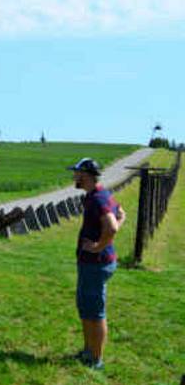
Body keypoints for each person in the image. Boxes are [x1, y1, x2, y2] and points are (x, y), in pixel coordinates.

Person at [68, 158, 125, 370]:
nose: (74, 176)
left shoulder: (98, 199)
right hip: (92, 263)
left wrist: (98, 246)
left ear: (85, 175)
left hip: (96, 263)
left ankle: (96, 359)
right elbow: (121, 215)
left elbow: (112, 226)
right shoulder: (99, 194)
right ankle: (88, 351)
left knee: (95, 312)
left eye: (76, 173)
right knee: (86, 307)